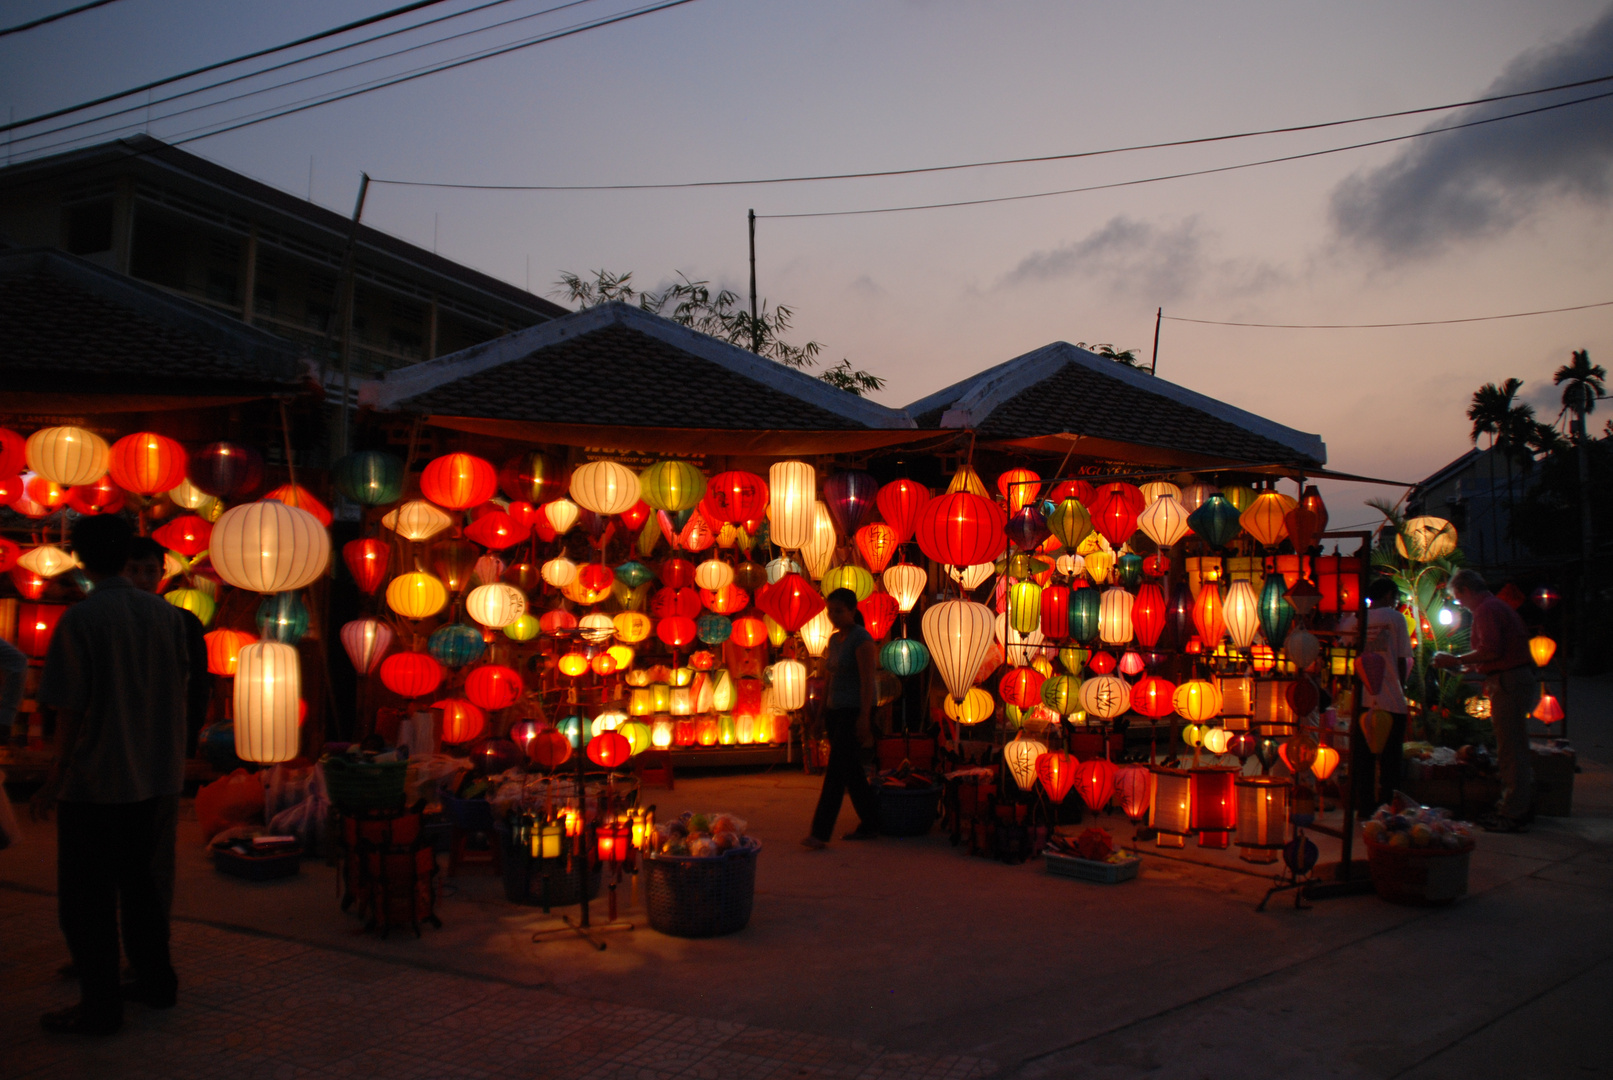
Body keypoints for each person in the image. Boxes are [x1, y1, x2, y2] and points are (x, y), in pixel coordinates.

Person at [30, 515, 192, 1035]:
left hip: (98, 781)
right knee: (141, 889)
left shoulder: (81, 621)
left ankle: (100, 1009)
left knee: (89, 901)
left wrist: (55, 778)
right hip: (154, 776)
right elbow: (178, 688)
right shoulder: (166, 617)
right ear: (124, 554)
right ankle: (155, 984)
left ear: (81, 559)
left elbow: (69, 710)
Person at [1431, 568, 1535, 832]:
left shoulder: (1486, 610)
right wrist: (1463, 667)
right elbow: (1492, 654)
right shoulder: (1494, 606)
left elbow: (1490, 650)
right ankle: (1517, 805)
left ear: (1467, 591)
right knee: (1515, 747)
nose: (1460, 604)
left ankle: (1512, 811)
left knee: (1510, 749)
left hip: (1508, 682)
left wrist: (1456, 660)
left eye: (1458, 598)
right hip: (1512, 678)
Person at [802, 588, 880, 849]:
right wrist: (821, 714)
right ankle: (873, 821)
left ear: (852, 611)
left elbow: (868, 682)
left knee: (836, 771)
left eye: (839, 611)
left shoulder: (862, 640)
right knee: (851, 770)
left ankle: (820, 832)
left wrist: (864, 717)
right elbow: (829, 677)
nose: (833, 616)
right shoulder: (835, 641)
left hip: (855, 710)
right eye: (830, 611)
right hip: (836, 710)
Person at [1339, 577, 1413, 815]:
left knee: (1364, 758)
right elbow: (1402, 658)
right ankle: (1389, 807)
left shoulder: (1357, 620)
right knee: (1391, 759)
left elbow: (1345, 647)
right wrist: (1401, 688)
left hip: (1363, 699)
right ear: (1390, 595)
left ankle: (1365, 807)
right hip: (1391, 698)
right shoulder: (1396, 618)